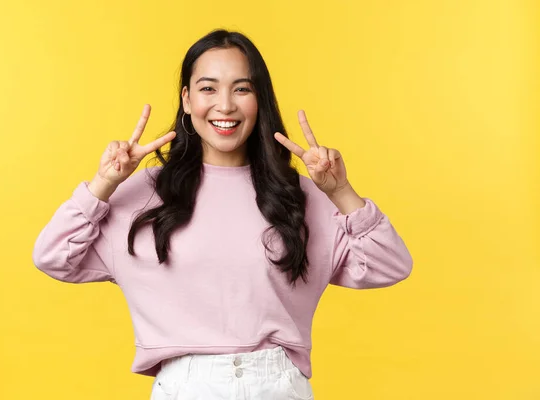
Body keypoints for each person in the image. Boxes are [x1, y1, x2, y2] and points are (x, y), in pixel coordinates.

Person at [32, 29, 413, 400]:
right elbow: (52, 256)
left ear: (259, 99)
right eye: (208, 88)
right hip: (185, 385)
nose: (226, 105)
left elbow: (390, 265)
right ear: (186, 98)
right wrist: (103, 183)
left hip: (277, 385)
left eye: (242, 88)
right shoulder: (141, 194)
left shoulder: (300, 197)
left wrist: (341, 192)